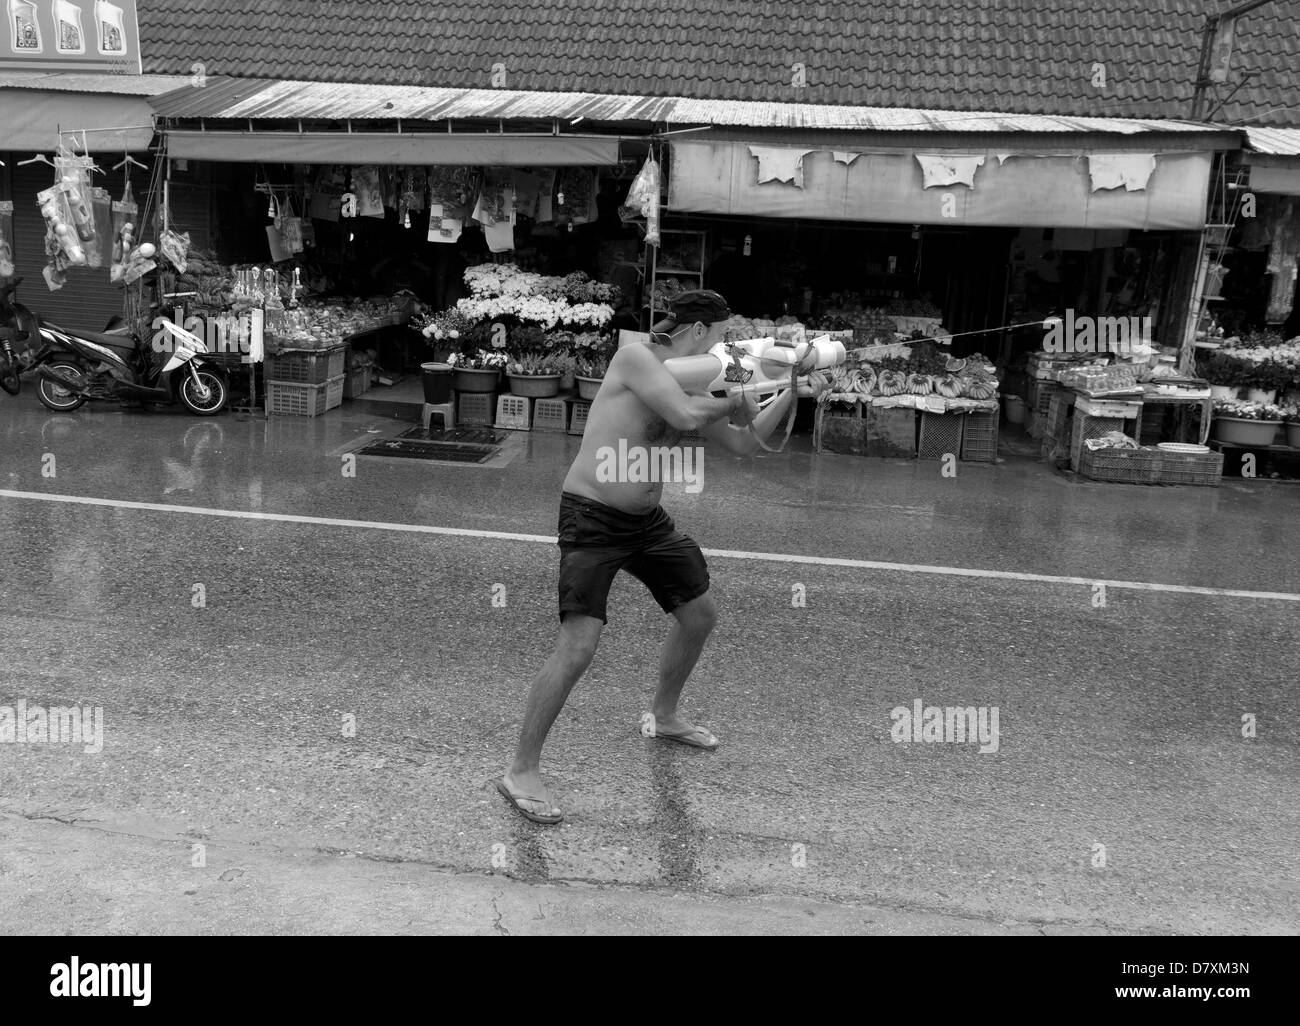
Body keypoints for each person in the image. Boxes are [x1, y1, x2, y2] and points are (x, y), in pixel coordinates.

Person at [497, 289, 800, 824]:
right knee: (578, 648)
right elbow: (685, 417)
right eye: (722, 334)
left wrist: (791, 390)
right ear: (698, 331)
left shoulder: (694, 379)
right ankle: (521, 769)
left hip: (646, 523)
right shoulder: (636, 357)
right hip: (593, 516)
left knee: (699, 614)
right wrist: (736, 396)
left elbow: (745, 445)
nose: (726, 345)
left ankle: (663, 716)